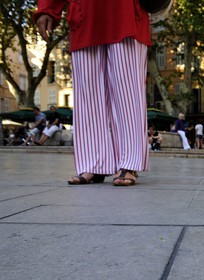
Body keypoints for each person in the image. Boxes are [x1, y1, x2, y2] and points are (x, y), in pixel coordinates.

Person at [35, 1, 151, 186]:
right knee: (88, 95)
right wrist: (47, 8)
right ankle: (93, 163)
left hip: (125, 10)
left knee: (127, 92)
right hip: (85, 12)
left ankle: (129, 163)